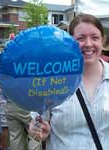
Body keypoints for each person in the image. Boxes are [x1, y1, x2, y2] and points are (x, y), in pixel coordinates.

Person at [28, 13, 109, 150]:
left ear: (103, 41)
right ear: (69, 42)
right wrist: (38, 131)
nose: (88, 44)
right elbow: (36, 126)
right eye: (81, 38)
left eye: (95, 38)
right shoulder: (52, 80)